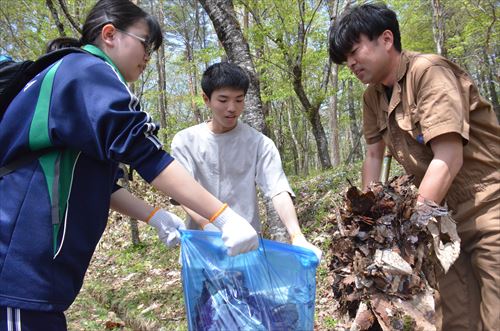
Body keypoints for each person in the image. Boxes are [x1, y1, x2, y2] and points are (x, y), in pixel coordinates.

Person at [0, 0, 259, 329]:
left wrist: (155, 217)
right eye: (145, 44)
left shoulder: (80, 82)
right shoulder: (85, 71)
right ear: (110, 34)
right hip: (18, 268)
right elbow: (144, 151)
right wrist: (223, 216)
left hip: (36, 277)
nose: (148, 57)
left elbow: (101, 183)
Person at [329, 3, 499, 331]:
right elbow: (374, 158)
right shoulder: (371, 98)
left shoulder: (429, 71)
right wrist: (369, 225)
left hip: (487, 204)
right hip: (440, 219)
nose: (350, 63)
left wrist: (402, 232)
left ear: (387, 39)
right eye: (345, 59)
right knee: (456, 319)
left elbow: (449, 157)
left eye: (354, 51)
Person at [170, 62, 322, 261]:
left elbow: (278, 190)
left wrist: (297, 236)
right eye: (223, 100)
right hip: (202, 247)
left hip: (246, 248)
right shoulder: (185, 141)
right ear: (206, 99)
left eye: (239, 100)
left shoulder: (259, 143)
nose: (232, 108)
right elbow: (181, 192)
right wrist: (209, 227)